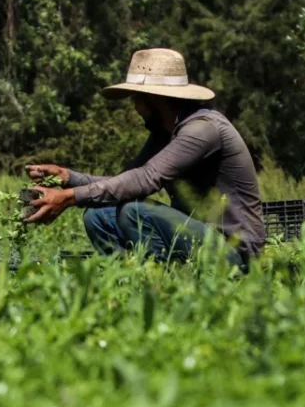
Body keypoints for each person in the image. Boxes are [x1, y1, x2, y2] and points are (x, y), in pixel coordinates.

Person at [24, 48, 265, 267]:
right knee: (98, 216)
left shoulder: (202, 130)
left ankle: (159, 284)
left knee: (134, 211)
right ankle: (125, 283)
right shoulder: (165, 133)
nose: (135, 107)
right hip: (196, 238)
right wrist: (67, 177)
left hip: (234, 253)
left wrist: (68, 198)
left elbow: (146, 178)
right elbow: (125, 181)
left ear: (153, 99)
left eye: (136, 99)